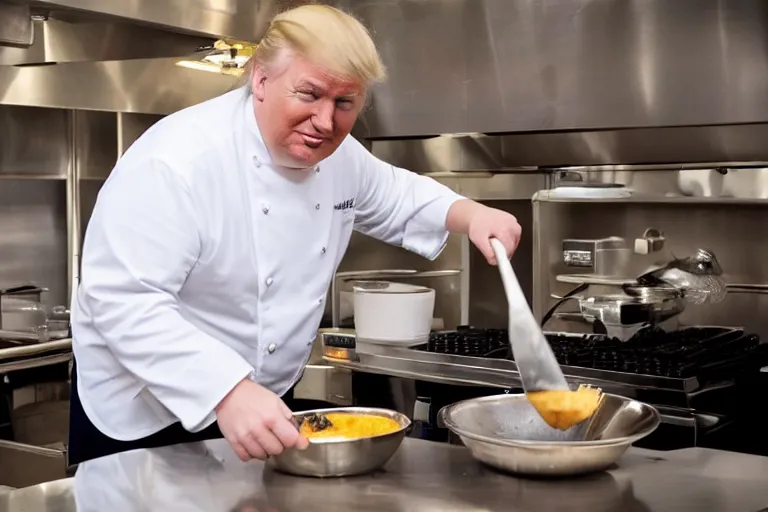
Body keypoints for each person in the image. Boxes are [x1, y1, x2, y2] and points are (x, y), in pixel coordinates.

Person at [69, 4, 522, 468]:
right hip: (146, 408)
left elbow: (394, 192)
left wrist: (468, 213)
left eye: (345, 104)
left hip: (257, 400)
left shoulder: (339, 157)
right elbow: (124, 301)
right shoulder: (176, 163)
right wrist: (226, 390)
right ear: (260, 80)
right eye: (309, 95)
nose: (325, 122)